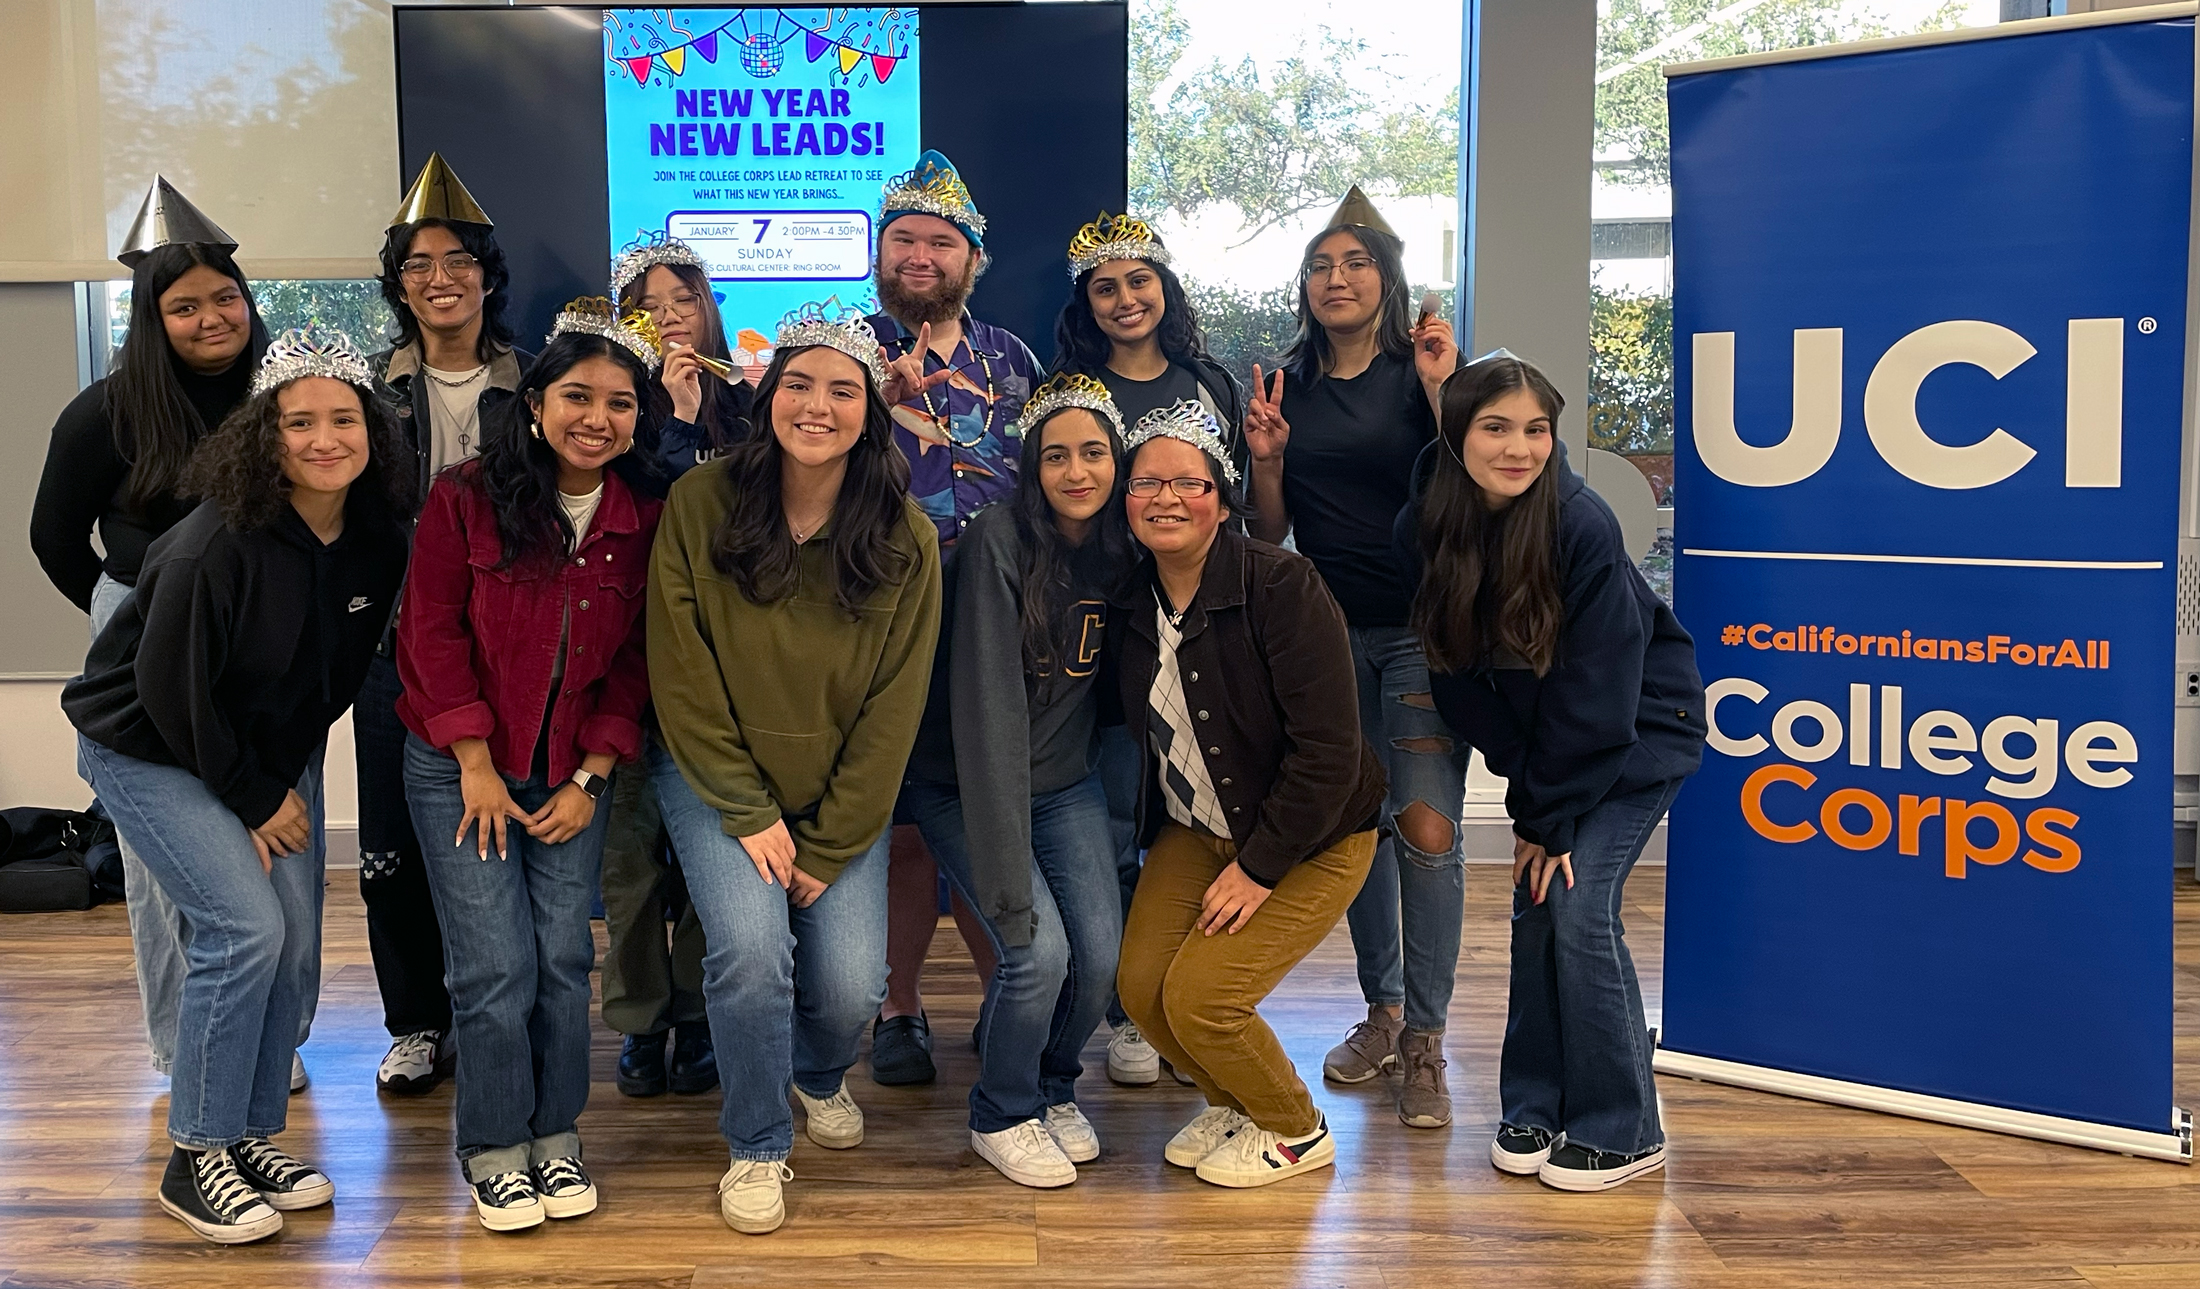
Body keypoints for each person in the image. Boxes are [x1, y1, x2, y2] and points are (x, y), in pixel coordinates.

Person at [64, 327, 416, 1243]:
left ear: (372, 430)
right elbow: (168, 692)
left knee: (295, 944)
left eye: (344, 418)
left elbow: (330, 677)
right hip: (149, 746)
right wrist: (252, 798)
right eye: (300, 422)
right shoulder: (212, 542)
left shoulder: (377, 539)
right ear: (266, 434)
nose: (324, 438)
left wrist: (273, 779)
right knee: (241, 928)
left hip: (259, 751)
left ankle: (253, 1133)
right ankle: (196, 1154)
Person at [648, 303, 941, 1235]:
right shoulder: (699, 503)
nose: (819, 406)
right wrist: (744, 807)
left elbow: (896, 704)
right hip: (712, 777)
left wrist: (837, 833)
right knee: (749, 956)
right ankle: (757, 1142)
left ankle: (816, 1076)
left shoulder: (908, 537)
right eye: (801, 384)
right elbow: (680, 673)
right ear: (770, 396)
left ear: (870, 411)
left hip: (836, 791)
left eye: (843, 390)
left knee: (853, 982)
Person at [1397, 352, 1704, 1192]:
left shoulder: (1581, 524)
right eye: (1496, 427)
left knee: (1573, 904)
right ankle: (1534, 1101)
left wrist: (1547, 819)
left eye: (1537, 428)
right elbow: (1457, 678)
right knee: (1537, 901)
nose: (1520, 447)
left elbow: (1598, 693)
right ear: (1457, 433)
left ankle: (1625, 1127)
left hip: (1638, 733)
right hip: (1550, 746)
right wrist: (1535, 794)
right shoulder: (1424, 523)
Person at [27, 177, 309, 1089]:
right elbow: (53, 538)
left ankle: (271, 1041)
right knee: (168, 873)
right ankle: (183, 1044)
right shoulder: (104, 413)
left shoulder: (286, 400)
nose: (210, 318)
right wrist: (132, 625)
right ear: (153, 318)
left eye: (224, 297)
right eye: (184, 307)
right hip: (147, 643)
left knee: (284, 848)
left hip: (270, 646)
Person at [396, 301, 666, 1231]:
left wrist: (593, 777)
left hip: (569, 776)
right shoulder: (465, 495)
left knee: (558, 955)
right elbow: (428, 634)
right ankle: (494, 1144)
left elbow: (636, 662)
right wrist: (472, 758)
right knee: (494, 966)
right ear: (539, 400)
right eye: (578, 396)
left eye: (621, 403)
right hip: (459, 768)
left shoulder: (646, 517)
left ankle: (557, 1133)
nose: (598, 418)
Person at [1109, 399, 1386, 1189]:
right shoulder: (1131, 599)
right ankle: (1235, 1102)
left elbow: (1330, 753)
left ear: (1224, 499)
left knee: (1202, 998)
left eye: (1187, 481)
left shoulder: (1283, 585)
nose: (1164, 497)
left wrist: (1261, 868)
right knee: (1140, 987)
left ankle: (1298, 1129)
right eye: (1145, 482)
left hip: (1315, 834)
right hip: (1196, 828)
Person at [1243, 185, 1470, 1128]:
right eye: (1320, 266)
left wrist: (1439, 390)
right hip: (1330, 638)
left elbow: (1482, 481)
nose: (1336, 279)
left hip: (1422, 632)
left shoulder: (1429, 371)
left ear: (1387, 279)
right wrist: (1264, 456)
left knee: (1427, 831)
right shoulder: (1286, 384)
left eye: (1355, 263)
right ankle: (1380, 1013)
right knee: (1359, 829)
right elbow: (1270, 530)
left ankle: (1426, 1038)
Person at [898, 375, 1135, 1187]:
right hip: (966, 780)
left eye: (1095, 452)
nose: (1078, 472)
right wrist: (1003, 882)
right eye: (1058, 455)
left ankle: (1052, 1084)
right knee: (1037, 954)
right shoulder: (999, 539)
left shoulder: (1125, 543)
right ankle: (1001, 1110)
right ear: (1031, 467)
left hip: (1064, 781)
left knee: (1100, 957)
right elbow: (988, 716)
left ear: (1118, 461)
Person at [1050, 210, 1248, 1086]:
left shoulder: (1209, 383)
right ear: (1086, 304)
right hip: (1098, 623)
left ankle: (1166, 998)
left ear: (1165, 289)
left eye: (1139, 280)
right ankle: (1113, 1004)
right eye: (1105, 287)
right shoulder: (1069, 385)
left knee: (1181, 815)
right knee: (1111, 808)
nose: (1125, 298)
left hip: (1197, 623)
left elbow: (1239, 508)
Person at [357, 154, 534, 1096]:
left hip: (508, 652)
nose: (439, 278)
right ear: (397, 283)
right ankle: (416, 1020)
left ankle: (493, 1010)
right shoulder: (370, 393)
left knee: (491, 838)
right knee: (390, 840)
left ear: (486, 274)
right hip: (391, 646)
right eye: (418, 263)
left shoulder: (536, 380)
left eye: (457, 260)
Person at [864, 150, 1041, 1085]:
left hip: (993, 623)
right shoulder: (843, 348)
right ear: (880, 252)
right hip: (875, 628)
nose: (923, 254)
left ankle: (1000, 992)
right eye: (907, 238)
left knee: (985, 813)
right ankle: (898, 1008)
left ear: (973, 259)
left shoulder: (1012, 358)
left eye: (943, 241)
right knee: (895, 829)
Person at [598, 232, 755, 1098]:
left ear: (707, 308)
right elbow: (636, 504)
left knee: (708, 864)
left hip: (720, 672)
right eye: (646, 308)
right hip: (624, 667)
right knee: (630, 866)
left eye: (681, 302)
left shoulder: (747, 402)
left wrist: (706, 410)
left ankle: (696, 1014)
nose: (667, 320)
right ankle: (638, 1019)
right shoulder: (611, 405)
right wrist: (674, 413)